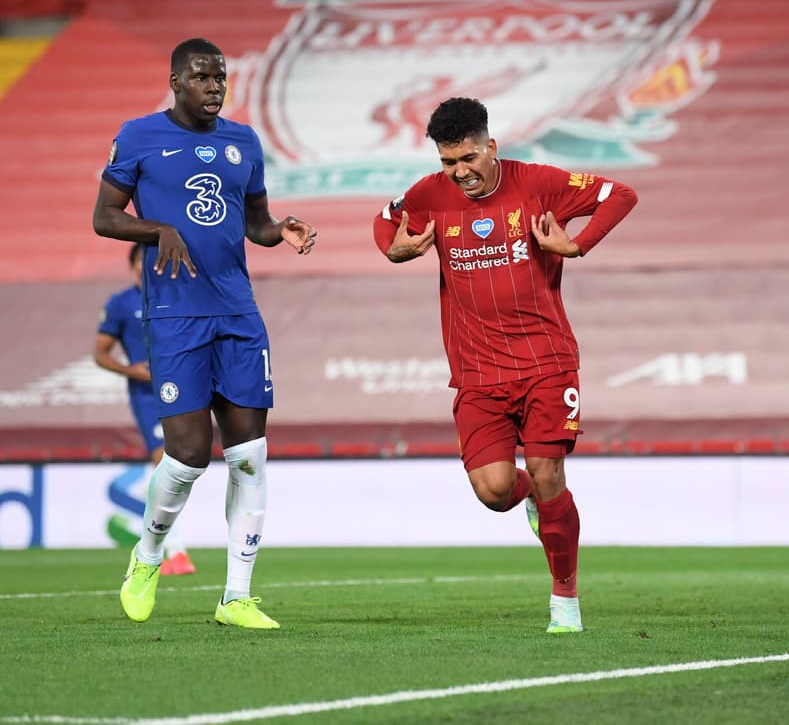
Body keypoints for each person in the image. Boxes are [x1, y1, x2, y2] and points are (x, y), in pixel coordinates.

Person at [372, 97, 637, 633]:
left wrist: (577, 243)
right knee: (494, 492)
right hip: (476, 372)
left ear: (491, 146)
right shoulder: (429, 194)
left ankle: (565, 599)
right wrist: (396, 251)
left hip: (546, 361)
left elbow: (619, 194)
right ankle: (541, 503)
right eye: (449, 162)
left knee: (547, 472)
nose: (460, 172)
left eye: (469, 158)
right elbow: (385, 221)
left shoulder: (538, 183)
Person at [92, 38, 317, 629]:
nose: (214, 86)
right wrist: (156, 228)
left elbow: (255, 224)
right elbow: (103, 217)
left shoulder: (244, 141)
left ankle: (236, 597)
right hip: (174, 317)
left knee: (249, 457)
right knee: (188, 456)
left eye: (220, 77)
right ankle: (146, 556)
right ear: (175, 81)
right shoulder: (138, 136)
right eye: (201, 77)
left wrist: (280, 230)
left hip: (238, 315)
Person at [93, 242, 195, 576]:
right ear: (132, 265)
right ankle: (174, 550)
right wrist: (130, 369)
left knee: (181, 460)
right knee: (164, 458)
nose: (145, 267)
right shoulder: (121, 304)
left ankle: (166, 549)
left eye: (150, 262)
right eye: (140, 261)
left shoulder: (175, 294)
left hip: (179, 387)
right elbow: (101, 353)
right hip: (147, 395)